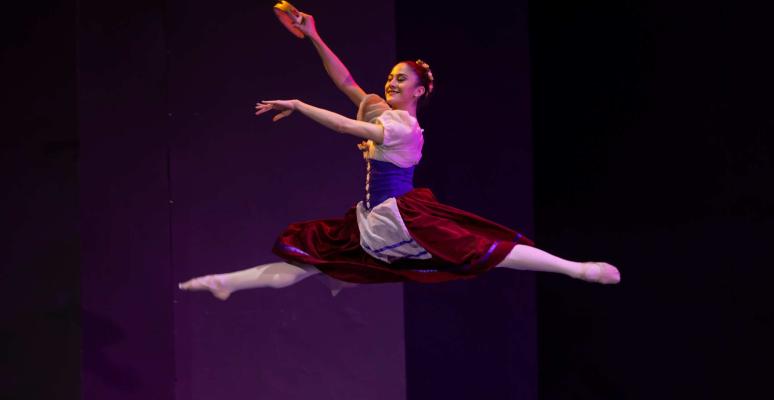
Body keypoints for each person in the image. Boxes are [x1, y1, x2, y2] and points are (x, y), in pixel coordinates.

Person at [178, 11, 620, 300]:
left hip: (400, 216)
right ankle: (226, 283)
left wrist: (298, 105)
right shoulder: (384, 111)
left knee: (480, 248)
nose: (391, 83)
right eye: (391, 76)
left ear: (420, 90)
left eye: (401, 79)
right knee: (308, 261)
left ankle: (577, 269)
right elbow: (347, 82)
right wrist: (313, 35)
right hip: (371, 218)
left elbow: (347, 126)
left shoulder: (402, 126)